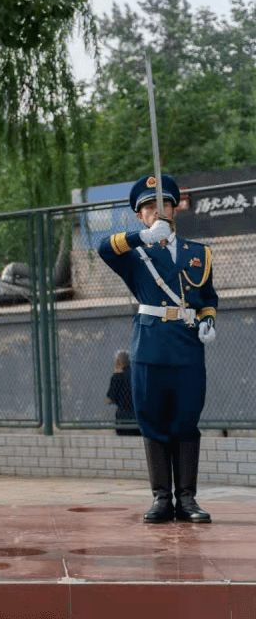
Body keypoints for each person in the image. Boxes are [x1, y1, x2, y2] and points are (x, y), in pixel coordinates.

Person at [98, 174, 217, 524]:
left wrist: (209, 319)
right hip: (149, 346)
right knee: (151, 421)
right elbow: (104, 247)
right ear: (140, 215)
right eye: (148, 207)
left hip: (187, 346)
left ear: (174, 207)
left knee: (186, 421)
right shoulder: (135, 253)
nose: (157, 210)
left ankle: (188, 500)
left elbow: (207, 297)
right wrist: (143, 238)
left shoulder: (199, 253)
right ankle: (161, 499)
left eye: (163, 203)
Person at [106, 350, 140, 437]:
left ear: (119, 362)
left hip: (123, 421)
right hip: (138, 420)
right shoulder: (137, 375)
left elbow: (110, 400)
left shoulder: (116, 377)